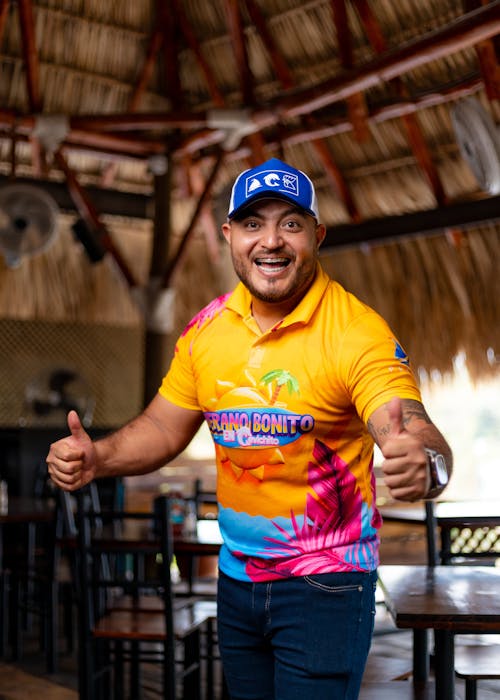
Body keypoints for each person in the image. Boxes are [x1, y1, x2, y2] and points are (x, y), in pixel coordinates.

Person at [47, 157, 453, 700]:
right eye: (253, 223)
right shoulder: (207, 330)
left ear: (316, 234)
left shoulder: (357, 333)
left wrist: (425, 463)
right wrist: (98, 457)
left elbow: (411, 425)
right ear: (229, 236)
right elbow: (163, 428)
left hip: (326, 585)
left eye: (290, 223)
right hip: (237, 580)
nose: (272, 242)